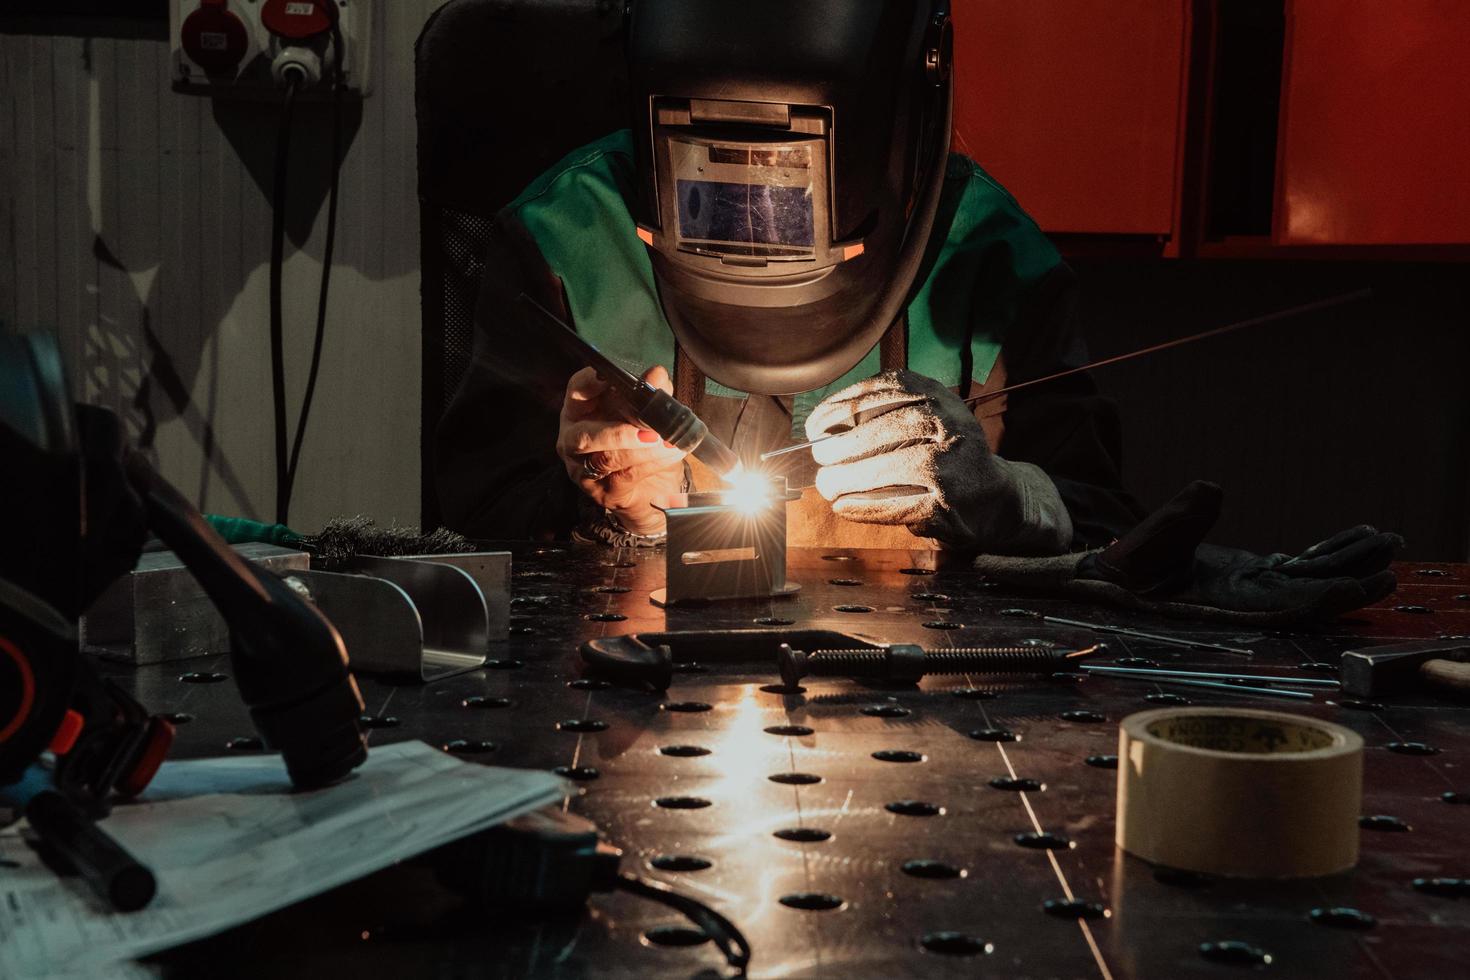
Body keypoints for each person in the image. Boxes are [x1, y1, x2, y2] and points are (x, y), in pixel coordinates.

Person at [435, 0, 1399, 621]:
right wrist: (617, 514)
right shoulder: (562, 239)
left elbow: (1106, 524)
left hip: (920, 704)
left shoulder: (986, 255)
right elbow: (470, 541)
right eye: (710, 188)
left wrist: (1010, 496)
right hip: (636, 712)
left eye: (788, 190)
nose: (753, 223)